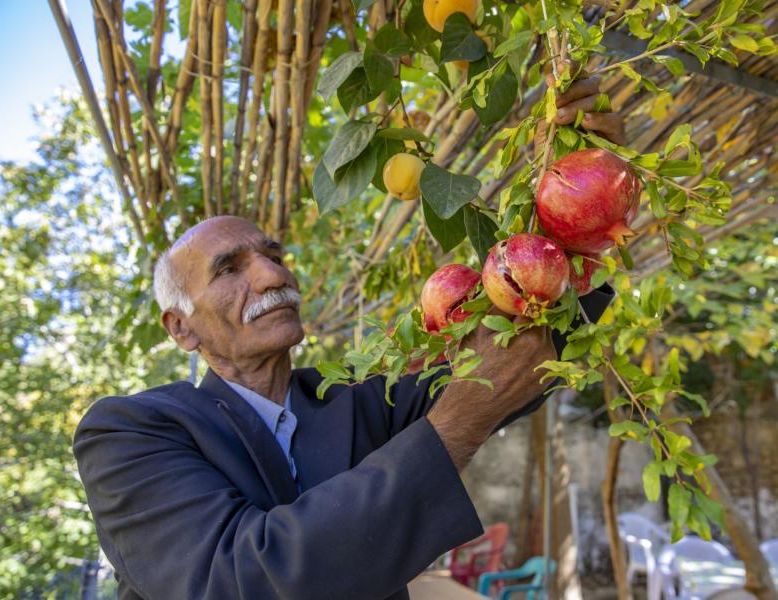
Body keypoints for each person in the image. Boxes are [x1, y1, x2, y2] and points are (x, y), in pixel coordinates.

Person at [74, 78, 620, 600]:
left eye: (273, 256)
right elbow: (240, 581)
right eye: (229, 270)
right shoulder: (128, 433)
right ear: (180, 327)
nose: (271, 276)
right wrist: (461, 418)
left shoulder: (361, 399)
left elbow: (518, 355)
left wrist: (585, 207)